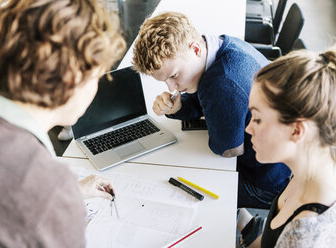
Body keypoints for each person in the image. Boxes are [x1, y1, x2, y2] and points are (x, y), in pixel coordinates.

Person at [0, 0, 125, 247]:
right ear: (73, 76)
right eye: (97, 75)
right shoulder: (48, 192)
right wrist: (58, 197)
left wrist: (69, 193)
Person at [132, 11, 291, 209]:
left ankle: (244, 223)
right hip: (283, 165)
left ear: (196, 49)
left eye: (174, 76)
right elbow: (203, 100)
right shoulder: (221, 46)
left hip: (270, 184)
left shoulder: (222, 83)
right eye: (165, 81)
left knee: (181, 185)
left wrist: (208, 112)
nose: (171, 88)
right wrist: (180, 106)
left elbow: (226, 149)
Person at [238, 47, 336, 247]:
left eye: (257, 119)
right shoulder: (313, 162)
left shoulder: (303, 237)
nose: (248, 129)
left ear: (296, 131)